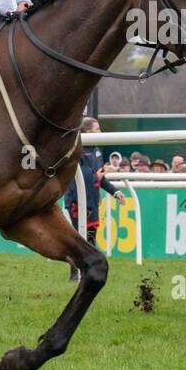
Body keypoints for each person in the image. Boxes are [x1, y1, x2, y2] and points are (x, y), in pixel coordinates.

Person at [63, 118, 124, 281]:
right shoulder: (77, 149)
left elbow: (99, 176)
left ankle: (88, 273)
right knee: (79, 238)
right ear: (87, 132)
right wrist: (95, 177)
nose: (100, 132)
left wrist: (115, 192)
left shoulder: (97, 149)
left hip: (92, 200)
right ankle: (75, 273)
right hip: (77, 200)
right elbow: (80, 173)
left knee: (90, 238)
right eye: (97, 129)